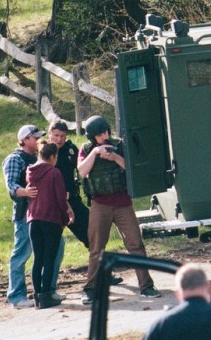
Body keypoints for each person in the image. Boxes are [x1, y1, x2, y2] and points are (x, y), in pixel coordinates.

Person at [77, 115, 160, 304]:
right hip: (100, 204)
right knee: (96, 248)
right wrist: (96, 153)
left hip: (123, 203)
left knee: (135, 245)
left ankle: (146, 286)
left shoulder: (120, 146)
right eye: (100, 134)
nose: (105, 136)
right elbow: (82, 171)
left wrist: (114, 156)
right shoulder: (87, 149)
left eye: (106, 132)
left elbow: (131, 170)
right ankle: (90, 288)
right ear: (92, 137)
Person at [2, 124, 64, 308]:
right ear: (24, 140)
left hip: (41, 213)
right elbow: (11, 186)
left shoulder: (36, 159)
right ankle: (17, 295)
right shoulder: (14, 159)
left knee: (57, 248)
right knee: (21, 254)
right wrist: (25, 192)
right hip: (24, 214)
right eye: (34, 137)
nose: (38, 140)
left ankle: (48, 290)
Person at [25, 140, 73, 309]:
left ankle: (37, 295)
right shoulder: (54, 173)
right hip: (50, 219)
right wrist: (64, 219)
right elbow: (60, 200)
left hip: (33, 219)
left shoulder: (30, 172)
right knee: (49, 258)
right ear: (53, 156)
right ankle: (46, 295)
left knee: (37, 258)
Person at [48, 119, 90, 248]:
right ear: (49, 134)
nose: (59, 139)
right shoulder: (44, 151)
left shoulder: (70, 149)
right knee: (51, 243)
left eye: (62, 136)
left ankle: (98, 262)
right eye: (56, 136)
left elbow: (82, 169)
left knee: (91, 231)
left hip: (71, 197)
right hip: (52, 202)